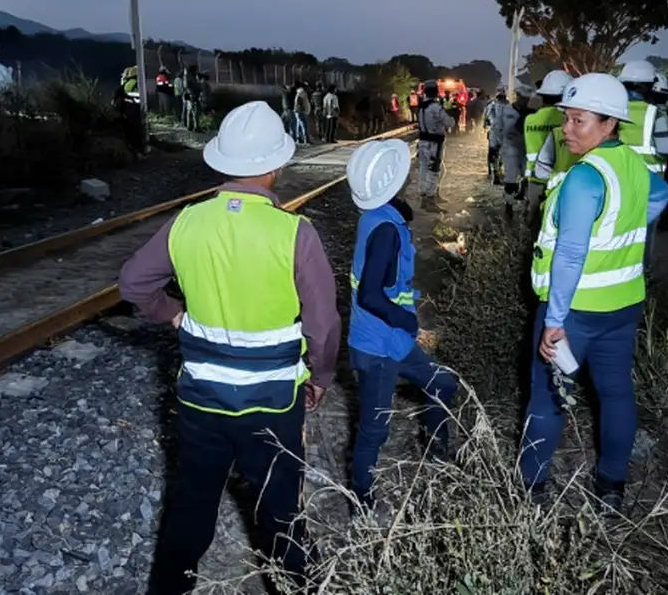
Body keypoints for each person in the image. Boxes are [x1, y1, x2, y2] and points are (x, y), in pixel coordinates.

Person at [117, 101, 341, 592]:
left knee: (192, 504)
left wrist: (172, 312)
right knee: (280, 511)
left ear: (222, 162)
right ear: (276, 165)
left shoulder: (187, 222)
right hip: (272, 403)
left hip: (202, 400)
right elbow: (323, 326)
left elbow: (134, 283)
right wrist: (321, 377)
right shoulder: (294, 233)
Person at [523, 73, 668, 510]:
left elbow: (569, 255)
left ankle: (531, 492)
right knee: (615, 393)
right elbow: (661, 194)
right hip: (623, 305)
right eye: (566, 118)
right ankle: (611, 487)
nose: (567, 130)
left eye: (579, 121)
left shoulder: (584, 178)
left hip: (575, 312)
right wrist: (626, 227)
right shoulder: (633, 164)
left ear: (609, 124)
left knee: (547, 400)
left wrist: (554, 321)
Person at [346, 139, 457, 509]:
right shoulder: (386, 230)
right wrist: (407, 317)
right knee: (374, 428)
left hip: (390, 340)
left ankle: (438, 458)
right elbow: (370, 294)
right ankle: (362, 502)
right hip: (379, 346)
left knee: (442, 383)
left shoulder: (377, 217)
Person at [524, 70, 574, 225]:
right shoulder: (568, 120)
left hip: (534, 178)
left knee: (534, 223)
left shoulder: (530, 119)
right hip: (563, 179)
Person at [616, 59, 668, 175]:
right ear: (647, 86)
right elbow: (666, 149)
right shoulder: (656, 114)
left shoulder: (613, 110)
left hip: (618, 176)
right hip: (649, 179)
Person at [418, 80, 454, 212]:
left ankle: (425, 198)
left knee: (424, 170)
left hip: (423, 143)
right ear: (436, 91)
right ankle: (430, 200)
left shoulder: (422, 107)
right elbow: (449, 123)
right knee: (434, 171)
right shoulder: (435, 107)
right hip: (434, 144)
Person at [499, 88, 531, 215]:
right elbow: (498, 126)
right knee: (510, 177)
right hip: (510, 148)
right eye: (523, 98)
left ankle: (526, 205)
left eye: (527, 99)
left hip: (526, 149)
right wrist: (496, 143)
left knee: (527, 176)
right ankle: (509, 204)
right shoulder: (506, 110)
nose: (525, 101)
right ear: (518, 97)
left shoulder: (531, 113)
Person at [485, 89, 508, 184]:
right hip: (502, 133)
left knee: (493, 152)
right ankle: (496, 171)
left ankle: (494, 172)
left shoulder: (491, 105)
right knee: (499, 153)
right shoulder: (508, 106)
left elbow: (487, 118)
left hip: (494, 132)